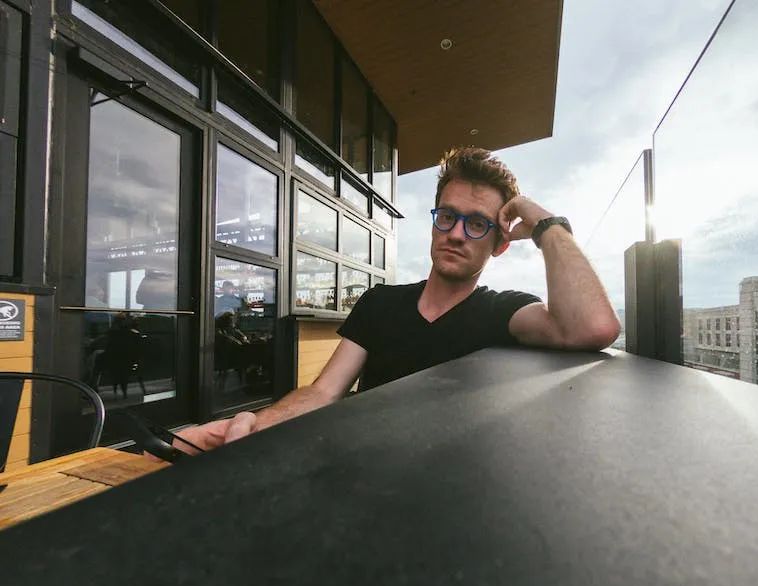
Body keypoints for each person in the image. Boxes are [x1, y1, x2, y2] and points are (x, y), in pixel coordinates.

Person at [174, 147, 621, 455]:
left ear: (500, 245)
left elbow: (593, 327)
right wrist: (253, 424)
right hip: (362, 475)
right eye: (447, 216)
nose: (455, 234)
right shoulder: (380, 303)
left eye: (476, 224)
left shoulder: (503, 311)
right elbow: (323, 392)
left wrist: (545, 224)